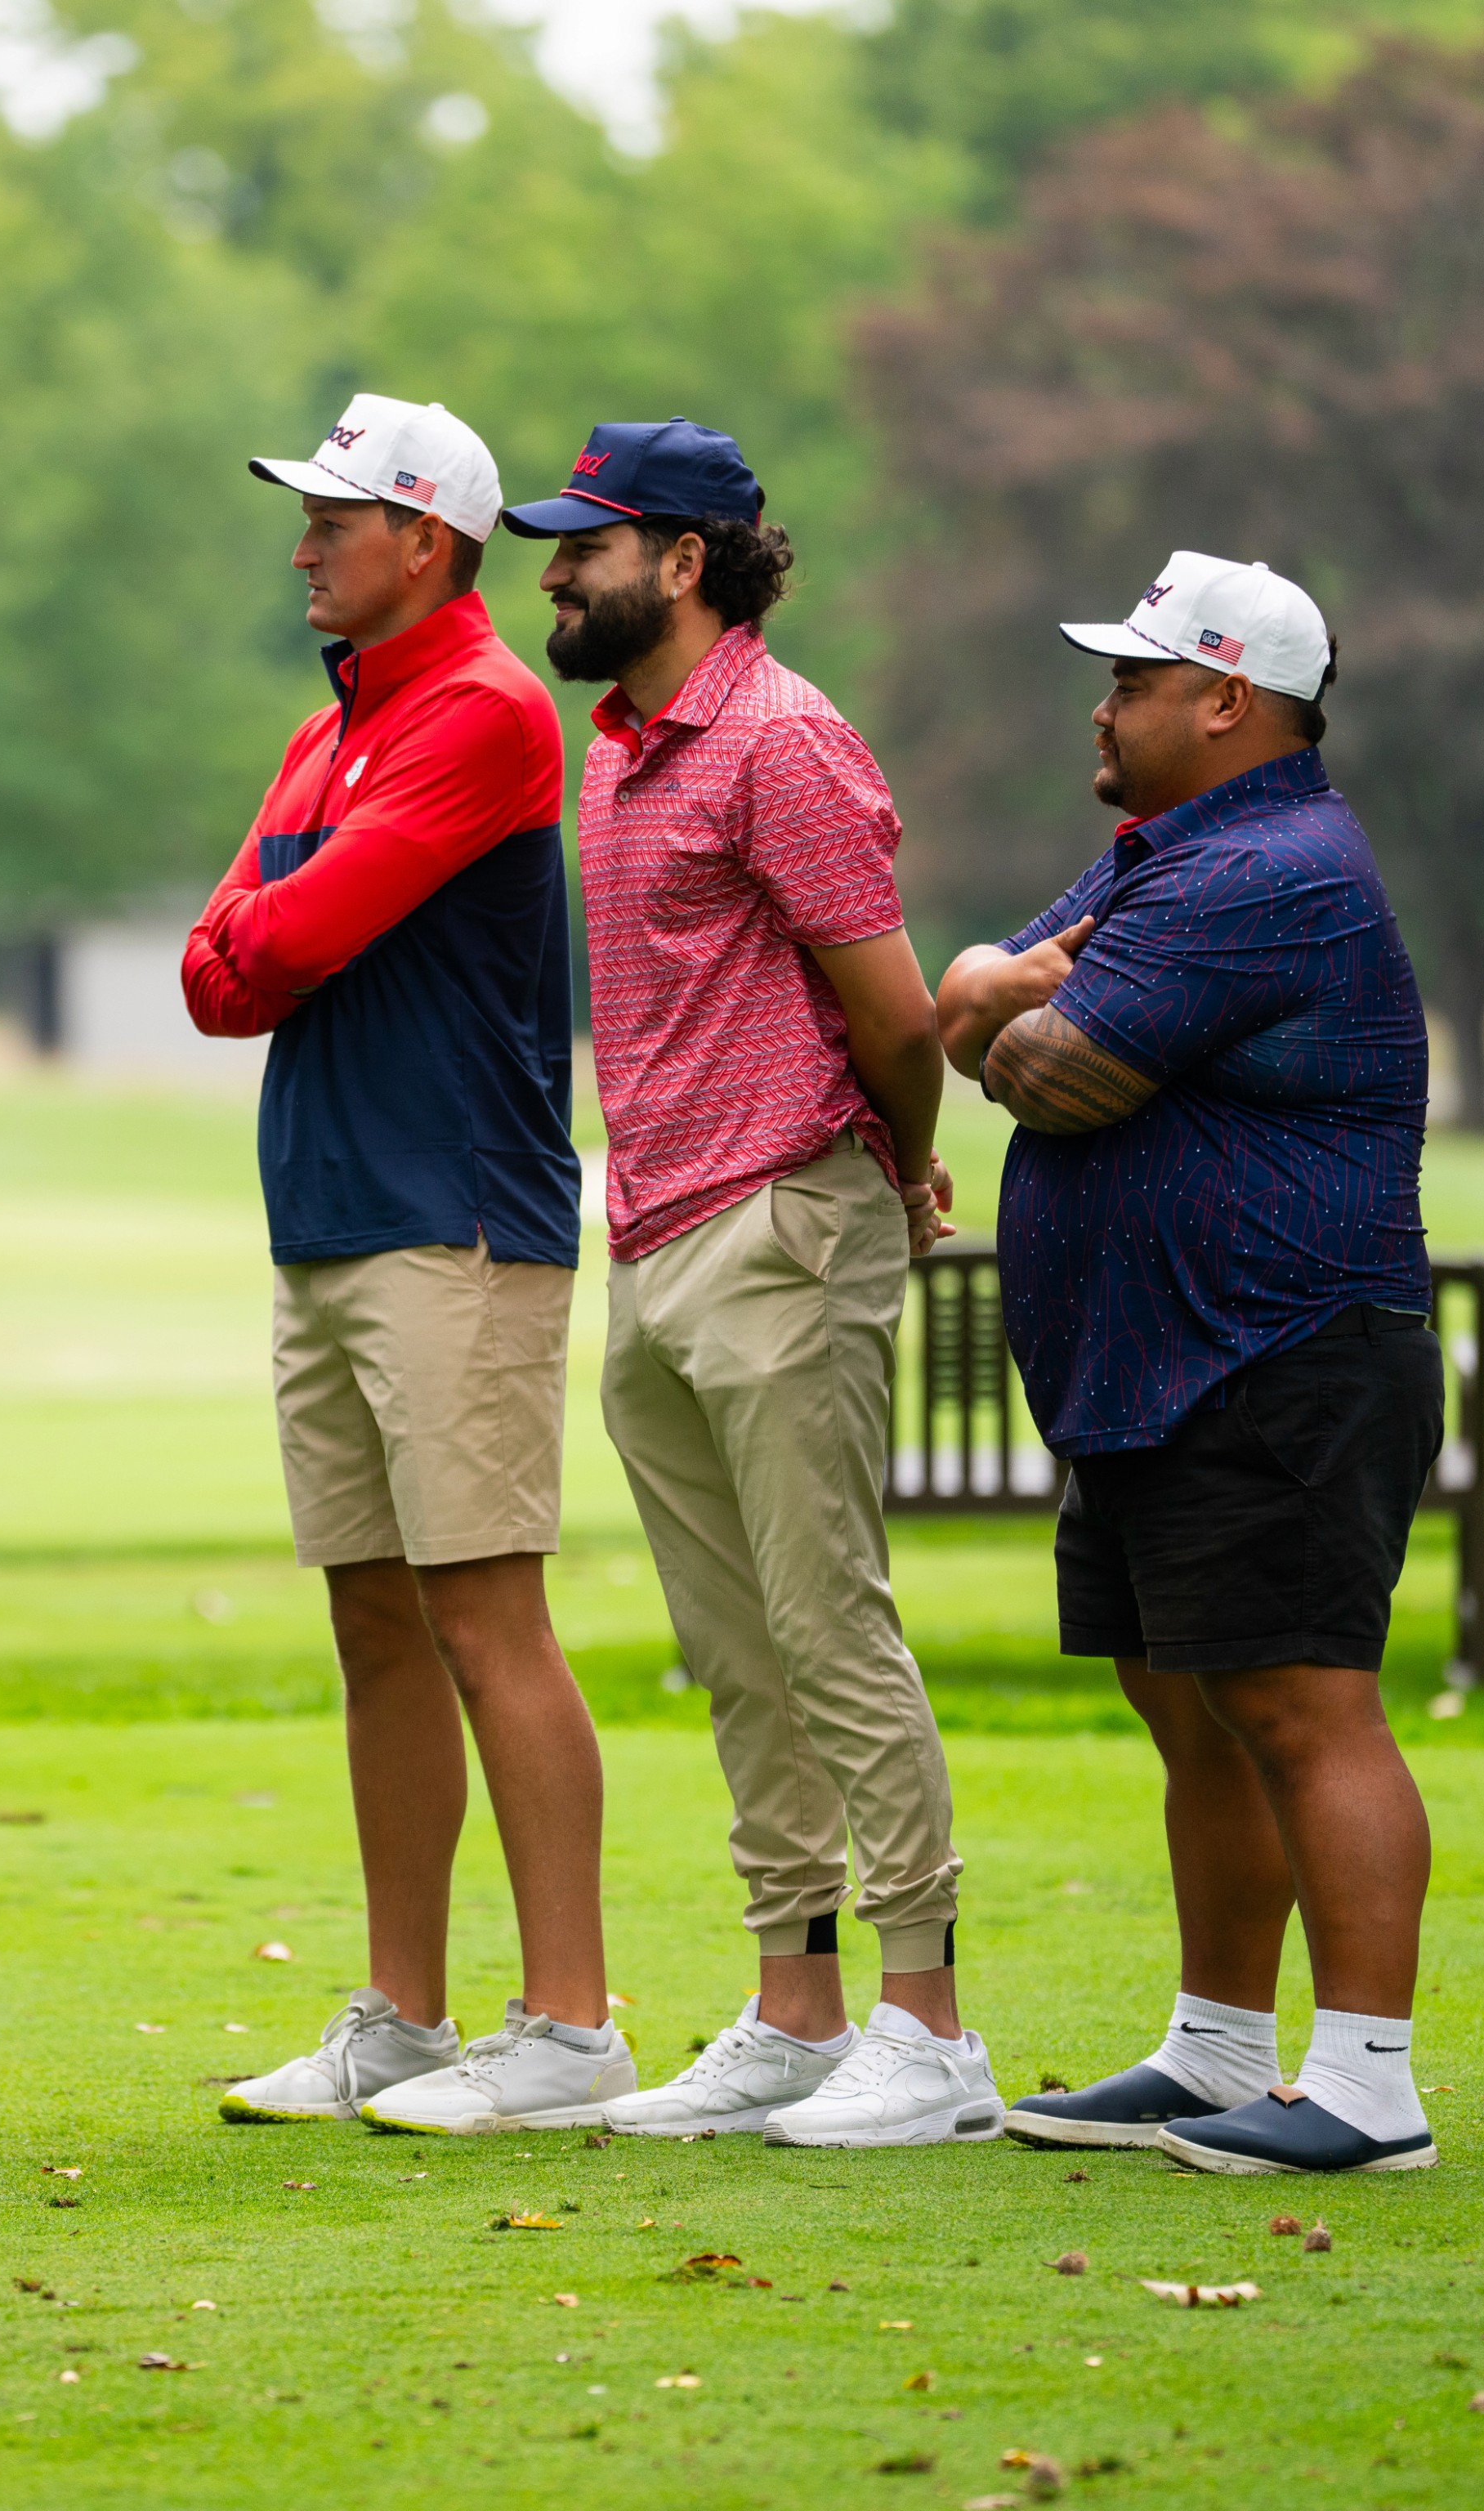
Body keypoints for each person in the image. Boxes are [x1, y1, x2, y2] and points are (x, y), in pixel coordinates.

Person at [503, 420, 997, 2150]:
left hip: (784, 1220)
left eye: (584, 546)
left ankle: (925, 2029)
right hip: (649, 1238)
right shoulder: (620, 745)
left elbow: (894, 1009)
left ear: (684, 560)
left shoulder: (780, 742)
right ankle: (792, 2010)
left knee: (825, 1621)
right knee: (732, 1646)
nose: (553, 573)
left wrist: (902, 1160)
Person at [945, 553, 1443, 2177]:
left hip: (1274, 1352)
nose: (1100, 707)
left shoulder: (1269, 871)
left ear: (1223, 701)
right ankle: (1215, 2046)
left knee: (1301, 1708)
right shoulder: (1164, 859)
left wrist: (998, 1005)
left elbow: (1051, 1073)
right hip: (1163, 1366)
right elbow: (965, 1009)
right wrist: (987, 999)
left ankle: (1367, 2086)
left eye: (1133, 682)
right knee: (1195, 1712)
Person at [186, 393, 631, 2137]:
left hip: (453, 1218)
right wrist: (263, 935)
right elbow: (217, 976)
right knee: (372, 1618)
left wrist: (267, 934)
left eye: (331, 519)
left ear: (423, 539)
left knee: (480, 1612)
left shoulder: (480, 713)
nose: (302, 543)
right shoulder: (330, 732)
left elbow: (276, 939)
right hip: (327, 1214)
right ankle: (403, 2014)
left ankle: (570, 2026)